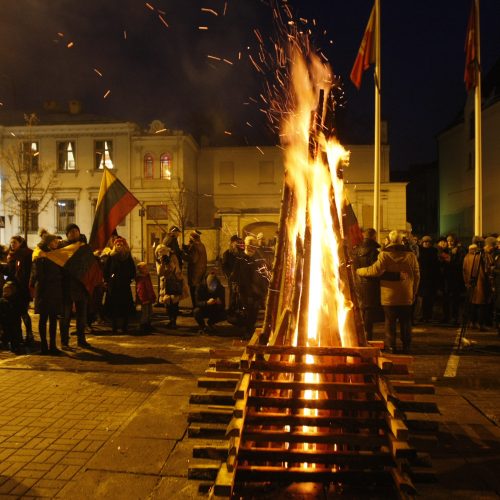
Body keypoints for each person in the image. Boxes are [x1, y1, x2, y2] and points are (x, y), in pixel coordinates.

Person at [356, 230, 420, 354]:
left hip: (388, 295)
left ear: (389, 240)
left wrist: (359, 271)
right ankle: (407, 346)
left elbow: (375, 271)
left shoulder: (384, 255)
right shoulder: (411, 256)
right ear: (402, 240)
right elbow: (417, 275)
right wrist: (414, 291)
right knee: (405, 322)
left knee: (390, 321)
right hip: (406, 294)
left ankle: (391, 346)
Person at [59, 223, 92, 348]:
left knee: (81, 316)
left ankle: (81, 339)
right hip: (66, 286)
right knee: (65, 316)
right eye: (71, 231)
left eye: (76, 231)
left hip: (81, 286)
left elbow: (89, 266)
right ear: (67, 234)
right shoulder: (62, 248)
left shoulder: (84, 247)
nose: (74, 233)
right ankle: (64, 341)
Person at [30, 233, 63, 354]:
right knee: (43, 319)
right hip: (44, 292)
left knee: (53, 320)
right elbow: (39, 275)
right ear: (49, 243)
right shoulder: (40, 255)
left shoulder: (56, 255)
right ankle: (44, 346)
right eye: (54, 241)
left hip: (54, 292)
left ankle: (53, 346)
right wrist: (55, 277)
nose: (57, 243)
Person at [231, 235, 269, 339]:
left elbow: (264, 274)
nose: (251, 247)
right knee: (247, 312)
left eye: (253, 245)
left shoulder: (258, 258)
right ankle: (247, 331)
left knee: (254, 313)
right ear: (246, 245)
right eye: (249, 244)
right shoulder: (240, 258)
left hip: (257, 291)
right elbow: (235, 275)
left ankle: (250, 330)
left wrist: (263, 289)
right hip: (245, 291)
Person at [1, 235, 33, 344]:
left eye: (14, 242)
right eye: (11, 243)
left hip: (22, 288)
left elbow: (25, 273)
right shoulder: (11, 255)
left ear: (20, 243)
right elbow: (9, 270)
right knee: (15, 313)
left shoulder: (25, 255)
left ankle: (29, 334)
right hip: (13, 289)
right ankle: (18, 335)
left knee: (23, 312)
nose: (12, 244)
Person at [354, 228, 382, 341]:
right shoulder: (375, 252)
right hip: (370, 284)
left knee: (360, 309)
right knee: (369, 311)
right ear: (374, 237)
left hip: (358, 283)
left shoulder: (356, 250)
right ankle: (367, 336)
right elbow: (376, 270)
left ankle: (359, 335)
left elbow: (354, 267)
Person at [103, 237, 136, 333]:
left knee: (124, 307)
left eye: (121, 244)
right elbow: (106, 269)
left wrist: (130, 278)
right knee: (114, 307)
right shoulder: (111, 256)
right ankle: (114, 327)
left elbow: (132, 269)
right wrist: (107, 279)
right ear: (115, 246)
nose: (119, 246)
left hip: (124, 285)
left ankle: (125, 326)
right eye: (118, 244)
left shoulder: (127, 256)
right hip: (113, 285)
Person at [156, 244, 186, 328]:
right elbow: (159, 273)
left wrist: (169, 262)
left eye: (163, 251)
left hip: (174, 282)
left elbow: (176, 269)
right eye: (159, 252)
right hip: (165, 284)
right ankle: (170, 320)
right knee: (167, 303)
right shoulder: (158, 260)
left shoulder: (173, 257)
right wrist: (162, 263)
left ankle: (173, 321)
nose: (161, 253)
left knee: (174, 302)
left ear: (167, 251)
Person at [441, 233, 466, 325]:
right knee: (446, 298)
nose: (449, 242)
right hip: (446, 278)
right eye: (448, 241)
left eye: (451, 240)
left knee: (455, 298)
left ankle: (455, 317)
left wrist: (451, 259)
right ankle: (446, 316)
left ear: (455, 241)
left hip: (455, 277)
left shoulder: (460, 250)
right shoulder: (445, 250)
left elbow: (460, 263)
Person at [416, 235, 440, 323]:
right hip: (422, 278)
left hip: (430, 279)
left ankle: (428, 316)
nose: (426, 243)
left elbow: (436, 266)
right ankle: (422, 316)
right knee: (422, 299)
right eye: (425, 242)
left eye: (428, 242)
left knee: (429, 299)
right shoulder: (420, 251)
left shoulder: (433, 251)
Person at [183, 230, 207, 309]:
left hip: (194, 273)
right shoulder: (202, 245)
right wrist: (187, 249)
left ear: (192, 238)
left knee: (194, 292)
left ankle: (195, 309)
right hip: (201, 271)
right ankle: (199, 308)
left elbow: (193, 259)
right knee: (199, 291)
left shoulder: (194, 246)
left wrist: (182, 255)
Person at [0, 281, 24, 354]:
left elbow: (20, 312)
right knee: (5, 333)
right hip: (4, 322)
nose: (6, 292)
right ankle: (4, 342)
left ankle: (15, 345)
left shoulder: (16, 301)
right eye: (5, 290)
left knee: (14, 333)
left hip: (13, 323)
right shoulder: (2, 301)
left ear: (12, 291)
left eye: (8, 290)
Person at [221, 235, 244, 311]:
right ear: (232, 243)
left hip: (240, 277)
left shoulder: (241, 252)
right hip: (232, 277)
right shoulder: (227, 253)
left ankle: (240, 309)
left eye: (238, 242)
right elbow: (224, 266)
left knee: (241, 293)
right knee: (233, 294)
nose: (238, 244)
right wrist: (229, 275)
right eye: (236, 242)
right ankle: (232, 309)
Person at [135, 262, 156, 334]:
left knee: (150, 312)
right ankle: (143, 325)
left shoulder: (147, 276)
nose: (147, 269)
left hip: (148, 296)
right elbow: (140, 290)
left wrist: (152, 295)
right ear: (141, 269)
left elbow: (150, 287)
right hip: (145, 298)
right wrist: (142, 299)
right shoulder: (141, 278)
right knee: (145, 313)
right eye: (145, 268)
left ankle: (148, 324)